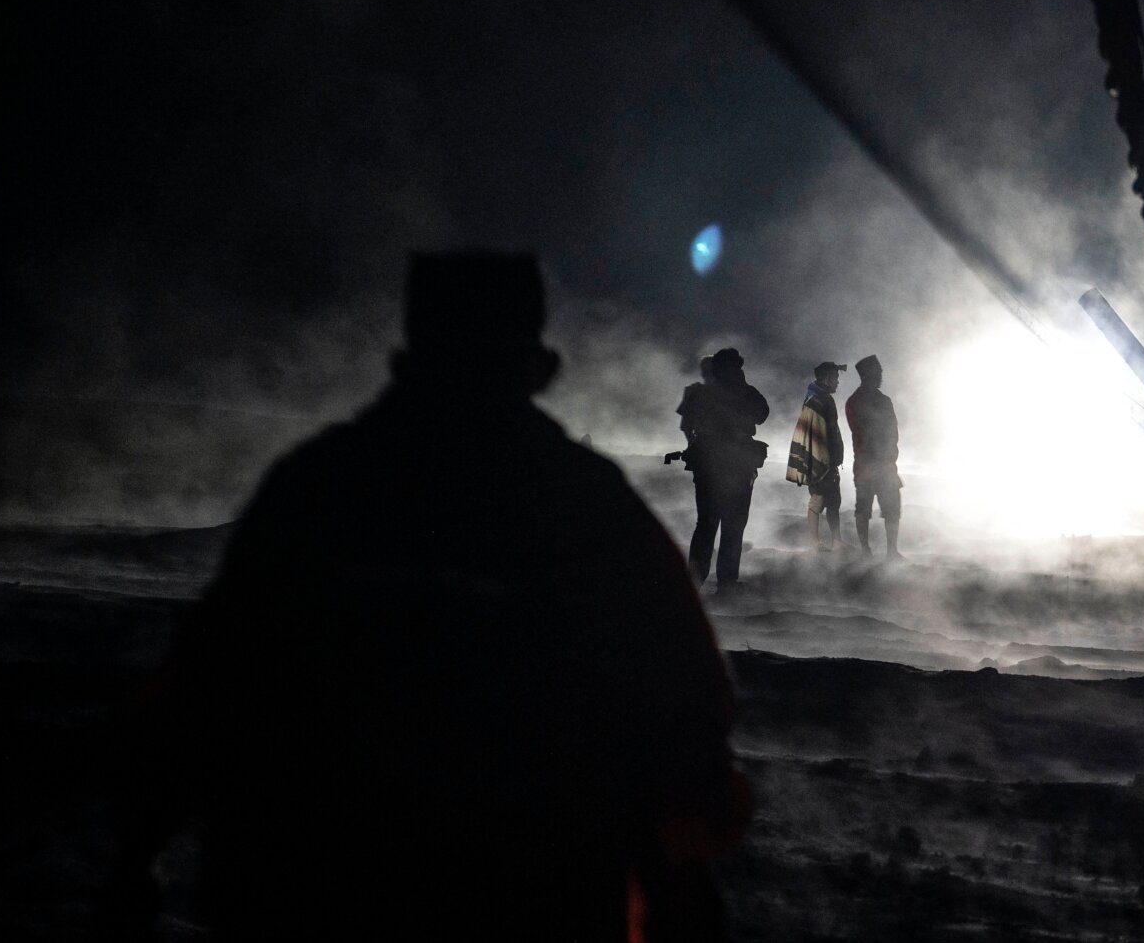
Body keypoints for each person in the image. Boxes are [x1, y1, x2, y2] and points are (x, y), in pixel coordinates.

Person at [113, 252, 748, 940]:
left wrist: (133, 854)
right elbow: (684, 706)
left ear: (414, 342)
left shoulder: (318, 486)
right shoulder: (588, 504)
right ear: (533, 354)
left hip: (309, 891)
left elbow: (204, 688)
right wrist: (681, 866)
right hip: (530, 897)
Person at [683, 348, 770, 589]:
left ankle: (695, 581)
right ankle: (726, 583)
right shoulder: (746, 393)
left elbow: (689, 423)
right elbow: (762, 414)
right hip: (738, 468)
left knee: (706, 524)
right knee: (732, 526)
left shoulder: (702, 394)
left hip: (708, 468)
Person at [845, 354, 903, 558]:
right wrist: (888, 455)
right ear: (869, 374)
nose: (880, 376)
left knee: (878, 507)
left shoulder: (854, 401)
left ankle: (877, 550)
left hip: (871, 463)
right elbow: (887, 431)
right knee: (871, 508)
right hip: (874, 463)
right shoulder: (876, 401)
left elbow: (891, 431)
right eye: (878, 373)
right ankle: (880, 551)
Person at [786, 361, 846, 552]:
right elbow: (817, 434)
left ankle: (837, 542)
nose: (837, 382)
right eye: (835, 378)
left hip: (829, 460)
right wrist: (823, 459)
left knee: (834, 501)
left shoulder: (820, 398)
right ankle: (814, 543)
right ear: (826, 378)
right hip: (820, 459)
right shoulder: (817, 400)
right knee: (818, 499)